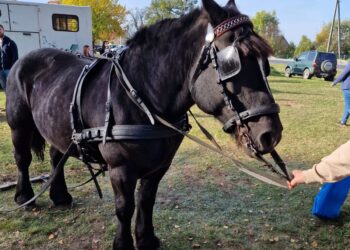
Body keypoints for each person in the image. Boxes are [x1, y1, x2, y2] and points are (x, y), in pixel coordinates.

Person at [0, 24, 18, 91]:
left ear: (3, 30)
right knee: (4, 88)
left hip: (9, 70)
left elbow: (15, 56)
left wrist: (12, 69)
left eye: (0, 29)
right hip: (1, 71)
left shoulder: (10, 42)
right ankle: (9, 101)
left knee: (12, 87)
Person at [332, 61, 350, 126]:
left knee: (348, 107)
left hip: (348, 88)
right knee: (347, 106)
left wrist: (335, 82)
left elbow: (343, 74)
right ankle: (343, 122)